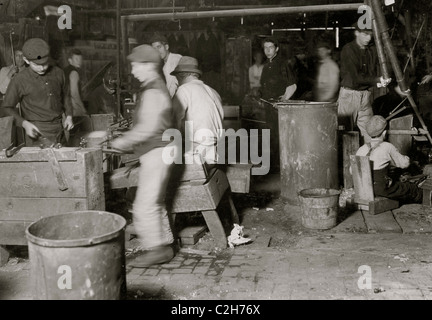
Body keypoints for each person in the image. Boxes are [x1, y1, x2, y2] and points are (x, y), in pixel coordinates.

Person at [110, 44, 176, 267]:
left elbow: (147, 128)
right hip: (158, 151)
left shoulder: (153, 90)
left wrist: (122, 141)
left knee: (143, 206)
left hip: (157, 151)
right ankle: (162, 246)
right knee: (152, 202)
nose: (133, 70)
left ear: (149, 66)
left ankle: (158, 251)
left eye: (136, 66)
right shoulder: (153, 87)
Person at [0, 38, 73, 146]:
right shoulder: (20, 80)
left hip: (59, 129)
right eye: (37, 64)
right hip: (36, 133)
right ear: (26, 60)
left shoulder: (58, 73)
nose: (42, 68)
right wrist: (24, 124)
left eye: (45, 63)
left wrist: (69, 115)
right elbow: (6, 108)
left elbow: (65, 96)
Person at [338, 24, 391, 143]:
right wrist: (377, 80)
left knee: (371, 132)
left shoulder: (370, 50)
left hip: (365, 96)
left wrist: (380, 82)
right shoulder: (348, 50)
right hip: (349, 96)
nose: (368, 38)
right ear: (356, 33)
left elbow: (370, 73)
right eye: (365, 34)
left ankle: (371, 159)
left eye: (370, 35)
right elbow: (356, 78)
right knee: (344, 133)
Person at [356, 115, 422, 204]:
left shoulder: (361, 149)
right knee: (411, 188)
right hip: (381, 189)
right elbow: (404, 164)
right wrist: (408, 158)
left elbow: (352, 171)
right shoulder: (387, 146)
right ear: (384, 132)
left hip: (363, 189)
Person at [171, 56, 224, 166]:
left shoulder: (184, 90)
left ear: (181, 76)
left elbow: (175, 122)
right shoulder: (213, 92)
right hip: (216, 151)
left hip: (197, 151)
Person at [260, 37, 297, 173]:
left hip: (279, 108)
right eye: (265, 48)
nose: (268, 50)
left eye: (271, 47)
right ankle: (276, 167)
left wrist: (283, 101)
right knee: (272, 136)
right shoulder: (266, 65)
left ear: (277, 49)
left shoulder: (282, 64)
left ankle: (284, 167)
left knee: (281, 137)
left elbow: (292, 85)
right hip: (269, 107)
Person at [63, 48, 91, 146]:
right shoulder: (74, 72)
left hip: (66, 110)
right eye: (76, 59)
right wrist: (83, 109)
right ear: (70, 60)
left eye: (80, 59)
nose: (79, 61)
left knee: (69, 137)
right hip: (75, 111)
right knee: (79, 138)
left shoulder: (64, 71)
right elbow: (74, 93)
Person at [150, 33, 182, 98]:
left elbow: (173, 86)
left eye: (159, 47)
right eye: (154, 49)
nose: (157, 51)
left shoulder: (174, 60)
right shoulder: (166, 63)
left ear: (166, 47)